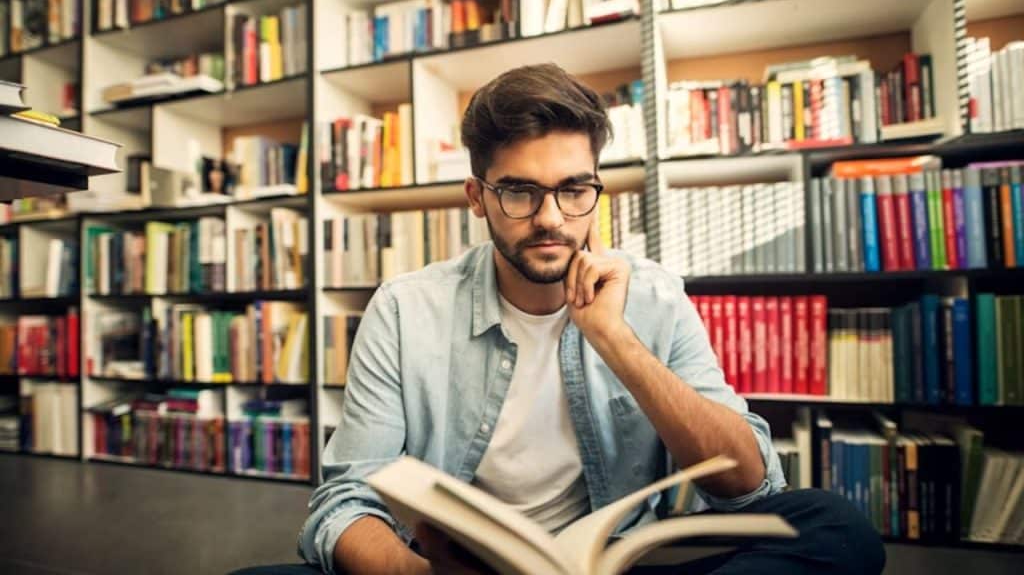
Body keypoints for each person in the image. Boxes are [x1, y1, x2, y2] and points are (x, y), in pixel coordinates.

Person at [233, 63, 885, 575]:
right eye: (519, 190)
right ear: (477, 199)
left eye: (574, 189)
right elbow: (345, 502)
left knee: (836, 529)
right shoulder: (406, 309)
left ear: (596, 189)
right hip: (449, 573)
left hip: (610, 566)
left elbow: (747, 488)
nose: (550, 217)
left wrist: (614, 339)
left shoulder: (654, 297)